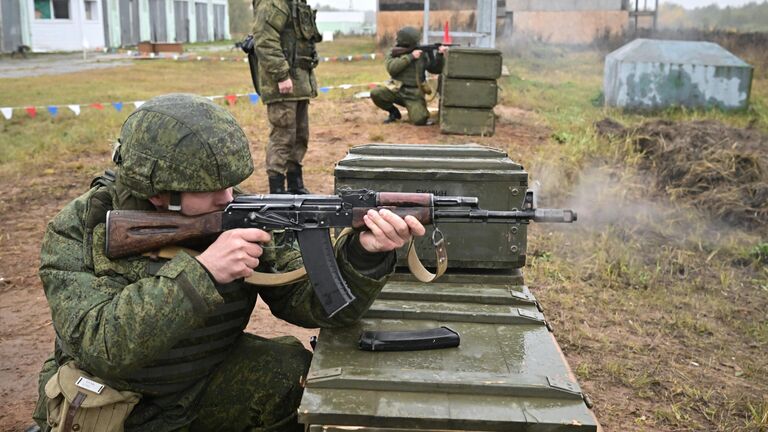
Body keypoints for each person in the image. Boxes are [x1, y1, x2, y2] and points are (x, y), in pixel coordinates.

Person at [31, 94, 426, 432]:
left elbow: (316, 304)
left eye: (229, 184)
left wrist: (363, 255)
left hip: (201, 380)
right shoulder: (78, 230)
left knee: (291, 374)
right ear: (158, 195)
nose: (228, 197)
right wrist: (204, 273)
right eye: (210, 190)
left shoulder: (236, 209)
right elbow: (105, 348)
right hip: (115, 403)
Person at [250, 0, 322, 194]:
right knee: (283, 136)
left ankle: (295, 184)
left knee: (300, 135)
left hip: (300, 82)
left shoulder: (294, 3)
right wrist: (281, 75)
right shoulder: (273, 3)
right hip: (283, 83)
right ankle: (277, 190)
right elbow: (265, 40)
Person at [370, 26, 448, 126]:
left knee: (420, 120)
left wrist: (439, 55)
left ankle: (414, 109)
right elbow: (392, 69)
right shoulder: (395, 52)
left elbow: (435, 70)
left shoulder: (422, 54)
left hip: (414, 94)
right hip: (397, 89)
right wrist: (410, 57)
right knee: (376, 93)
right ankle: (394, 112)